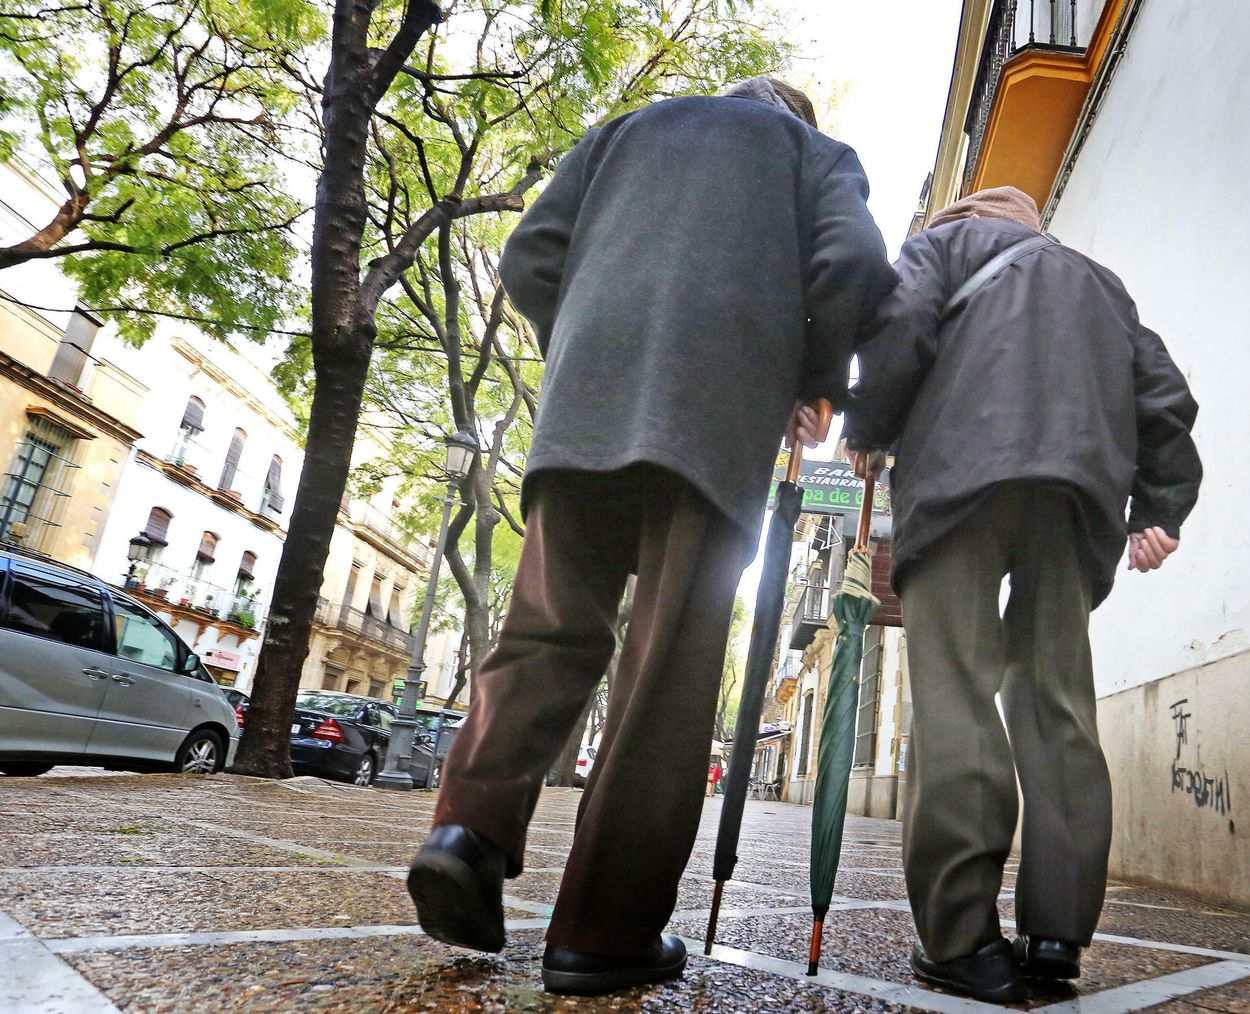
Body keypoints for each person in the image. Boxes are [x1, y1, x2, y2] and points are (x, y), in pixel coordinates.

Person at [406, 77, 896, 996]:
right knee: (666, 665)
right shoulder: (810, 155)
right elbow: (854, 263)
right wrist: (816, 379)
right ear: (796, 115)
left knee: (545, 630)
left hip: (584, 407)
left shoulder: (621, 134)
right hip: (714, 414)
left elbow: (529, 257)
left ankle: (464, 831)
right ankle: (603, 930)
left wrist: (588, 344)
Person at [844, 185, 1201, 1003]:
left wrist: (867, 428)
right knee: (1058, 704)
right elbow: (1165, 397)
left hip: (957, 490)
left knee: (958, 701)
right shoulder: (1099, 282)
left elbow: (898, 328)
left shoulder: (939, 249)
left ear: (965, 220)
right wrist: (1160, 509)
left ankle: (963, 941)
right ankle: (1055, 936)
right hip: (1075, 500)